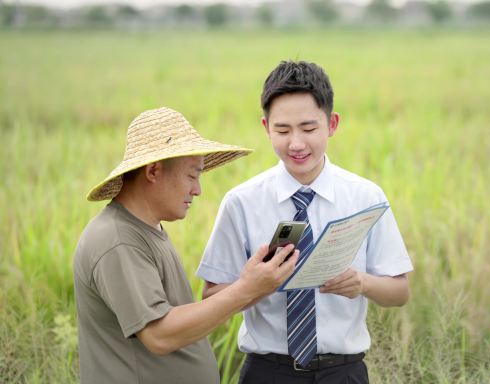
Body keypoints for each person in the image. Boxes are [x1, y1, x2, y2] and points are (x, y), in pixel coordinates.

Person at [197, 61, 413, 383]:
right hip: (267, 372)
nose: (296, 144)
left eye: (309, 129)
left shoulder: (366, 197)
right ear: (266, 127)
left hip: (343, 372)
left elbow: (400, 291)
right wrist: (252, 286)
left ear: (333, 124)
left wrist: (362, 284)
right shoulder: (242, 202)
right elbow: (211, 297)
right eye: (282, 131)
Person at [72, 107, 299, 384]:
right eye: (192, 175)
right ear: (153, 171)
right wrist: (246, 288)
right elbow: (159, 335)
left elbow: (180, 320)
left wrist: (260, 285)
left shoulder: (147, 228)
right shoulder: (118, 241)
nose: (198, 189)